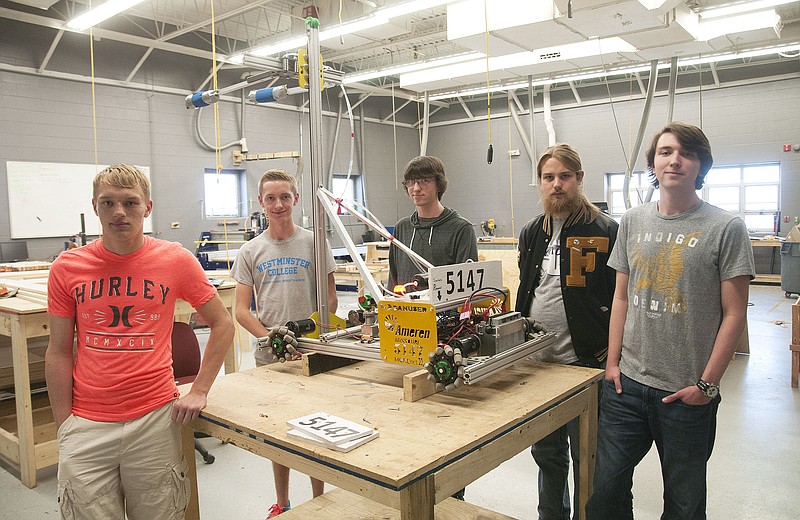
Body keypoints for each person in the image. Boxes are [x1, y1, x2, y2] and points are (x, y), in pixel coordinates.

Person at [46, 164, 235, 520]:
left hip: (154, 420)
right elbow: (58, 351)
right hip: (86, 424)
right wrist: (64, 425)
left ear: (147, 207)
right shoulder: (67, 267)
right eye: (108, 203)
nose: (120, 212)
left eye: (130, 203)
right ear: (95, 206)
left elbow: (223, 323)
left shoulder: (175, 260)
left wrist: (199, 390)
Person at [586, 123, 755, 520]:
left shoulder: (726, 227)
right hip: (627, 388)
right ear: (653, 163)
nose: (675, 160)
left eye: (687, 153)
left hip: (685, 395)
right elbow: (621, 296)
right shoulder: (632, 221)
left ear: (701, 166)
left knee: (684, 503)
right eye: (665, 152)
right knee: (606, 493)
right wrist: (612, 365)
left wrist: (706, 385)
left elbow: (735, 313)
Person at [515, 144, 618, 520]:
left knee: (587, 454)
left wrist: (614, 356)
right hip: (539, 364)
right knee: (546, 454)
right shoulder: (531, 232)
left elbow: (621, 299)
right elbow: (528, 291)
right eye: (548, 177)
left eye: (564, 176)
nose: (556, 184)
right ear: (540, 183)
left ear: (579, 179)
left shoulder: (606, 231)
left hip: (587, 364)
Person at [229, 168, 338, 518]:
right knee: (279, 434)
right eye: (271, 198)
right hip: (271, 358)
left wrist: (308, 336)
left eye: (285, 197)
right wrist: (273, 340)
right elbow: (241, 311)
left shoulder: (314, 242)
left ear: (296, 199)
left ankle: (319, 499)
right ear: (261, 202)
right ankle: (284, 502)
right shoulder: (250, 250)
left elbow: (331, 301)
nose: (278, 204)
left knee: (314, 430)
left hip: (311, 353)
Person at [388, 155, 478, 291]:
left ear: (439, 185)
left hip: (443, 311)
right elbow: (393, 277)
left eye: (424, 181)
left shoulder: (461, 229)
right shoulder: (402, 228)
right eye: (411, 181)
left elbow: (467, 285)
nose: (416, 188)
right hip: (405, 310)